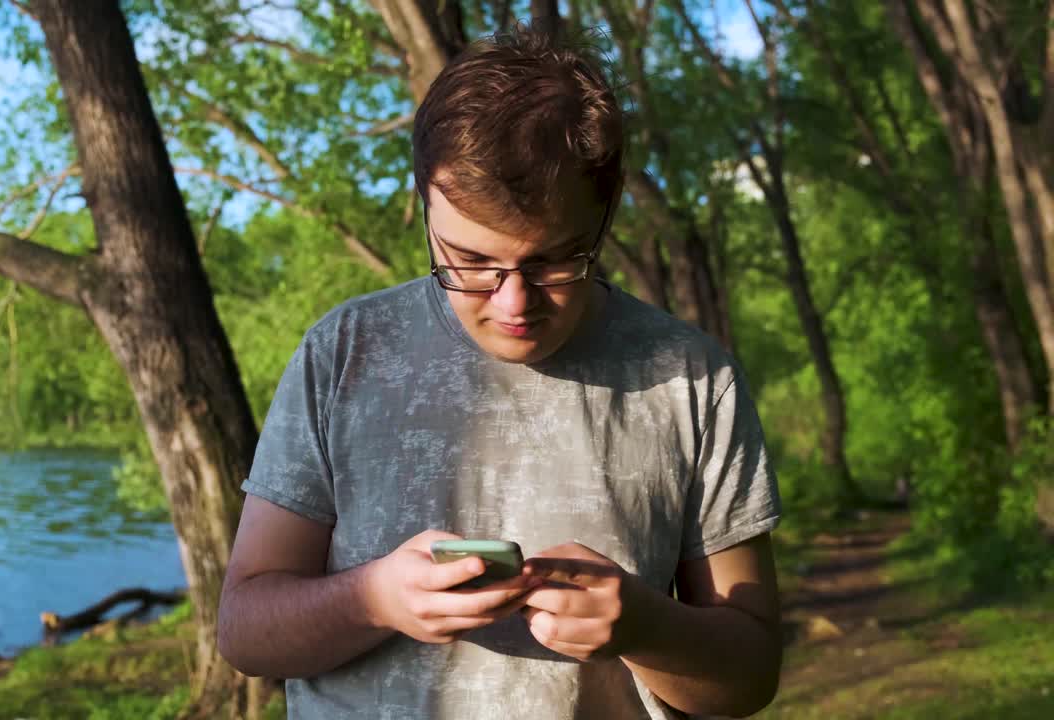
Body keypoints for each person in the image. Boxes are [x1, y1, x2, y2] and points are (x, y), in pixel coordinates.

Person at [217, 25, 782, 720]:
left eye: (553, 261)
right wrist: (372, 598)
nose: (513, 303)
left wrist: (646, 626)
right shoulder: (345, 351)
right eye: (471, 261)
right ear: (425, 200)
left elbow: (751, 677)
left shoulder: (692, 380)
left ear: (605, 215)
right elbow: (244, 630)